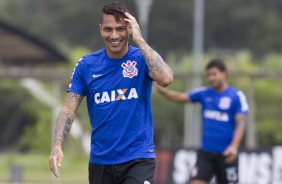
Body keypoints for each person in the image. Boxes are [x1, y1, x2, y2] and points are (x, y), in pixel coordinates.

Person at [48, 2, 173, 184]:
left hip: (138, 158)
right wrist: (57, 145)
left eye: (120, 29)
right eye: (108, 29)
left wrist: (139, 40)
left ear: (129, 29)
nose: (114, 35)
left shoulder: (142, 58)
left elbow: (166, 79)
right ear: (100, 29)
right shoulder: (86, 65)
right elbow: (68, 109)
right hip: (101, 161)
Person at [155, 59, 249, 184]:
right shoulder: (204, 93)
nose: (211, 78)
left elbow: (241, 123)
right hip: (206, 154)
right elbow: (179, 97)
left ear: (224, 73)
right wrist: (161, 90)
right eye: (208, 75)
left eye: (214, 74)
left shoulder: (236, 96)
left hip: (227, 154)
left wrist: (234, 147)